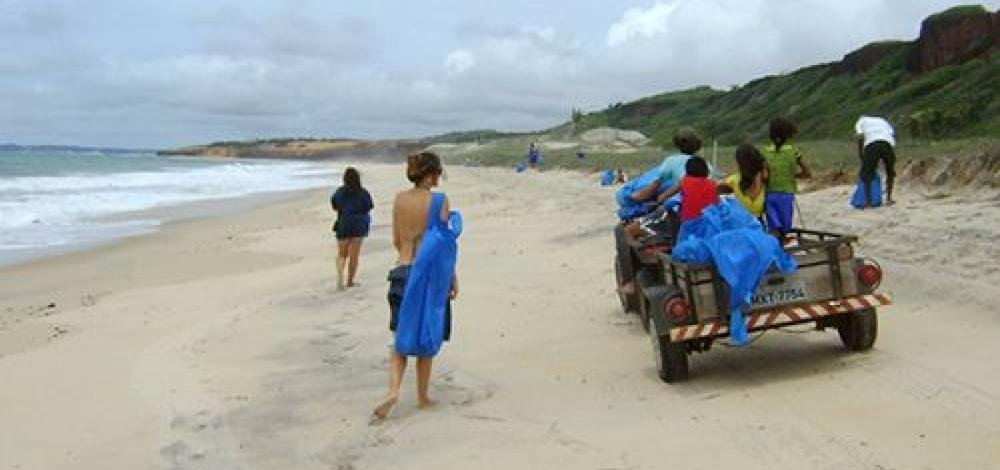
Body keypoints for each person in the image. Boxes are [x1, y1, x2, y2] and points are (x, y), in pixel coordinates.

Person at [373, 151, 459, 422]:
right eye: (438, 173)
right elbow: (443, 246)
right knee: (427, 334)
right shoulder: (439, 200)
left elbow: (397, 240)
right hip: (429, 277)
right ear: (431, 174)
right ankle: (422, 397)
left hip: (401, 271)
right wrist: (452, 277)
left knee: (400, 335)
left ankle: (393, 391)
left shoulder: (399, 199)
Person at [629, 127, 711, 203]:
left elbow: (655, 186)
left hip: (684, 202)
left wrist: (637, 196)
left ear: (677, 145)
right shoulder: (706, 164)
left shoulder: (672, 161)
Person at [762, 117, 811, 239]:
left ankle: (775, 245)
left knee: (774, 228)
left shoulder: (766, 152)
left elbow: (764, 175)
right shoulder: (793, 151)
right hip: (786, 195)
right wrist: (794, 175)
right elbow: (807, 172)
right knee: (785, 228)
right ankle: (783, 244)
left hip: (770, 194)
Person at [330, 167, 373, 290]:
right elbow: (369, 206)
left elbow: (334, 205)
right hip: (359, 224)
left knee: (342, 254)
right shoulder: (363, 192)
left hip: (344, 223)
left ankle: (340, 278)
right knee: (354, 255)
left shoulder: (339, 192)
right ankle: (350, 281)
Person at [655, 156, 718, 222]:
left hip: (690, 223)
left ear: (687, 171)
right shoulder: (712, 185)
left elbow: (671, 201)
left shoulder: (685, 183)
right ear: (707, 171)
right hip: (712, 222)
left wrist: (659, 206)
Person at [855, 115, 897, 207]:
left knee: (867, 173)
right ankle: (889, 199)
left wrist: (860, 153)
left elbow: (860, 136)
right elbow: (892, 134)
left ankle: (869, 202)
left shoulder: (861, 121)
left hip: (872, 145)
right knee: (890, 172)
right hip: (887, 144)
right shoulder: (883, 121)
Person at [718, 144, 768, 219]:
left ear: (739, 162)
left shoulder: (734, 180)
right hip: (759, 221)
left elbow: (716, 191)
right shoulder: (764, 177)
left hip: (741, 221)